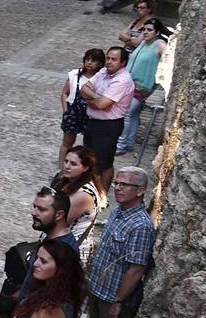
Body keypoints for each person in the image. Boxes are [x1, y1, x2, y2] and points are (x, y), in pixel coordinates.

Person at [70, 167, 155, 318]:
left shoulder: (140, 226)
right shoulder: (119, 212)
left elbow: (136, 269)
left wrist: (119, 302)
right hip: (98, 289)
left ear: (140, 191)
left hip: (113, 297)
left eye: (124, 184)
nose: (117, 187)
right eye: (117, 183)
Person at [79, 46, 135, 194]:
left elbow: (103, 105)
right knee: (89, 158)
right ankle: (90, 191)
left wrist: (92, 98)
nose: (109, 62)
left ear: (122, 62)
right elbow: (83, 88)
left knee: (104, 163)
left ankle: (102, 195)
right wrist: (97, 98)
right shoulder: (104, 71)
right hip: (93, 122)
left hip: (109, 126)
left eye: (114, 59)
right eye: (108, 58)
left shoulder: (122, 80)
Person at [115, 20, 167, 155]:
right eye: (144, 29)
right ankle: (129, 143)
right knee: (133, 114)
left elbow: (168, 59)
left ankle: (120, 145)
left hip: (142, 86)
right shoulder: (143, 43)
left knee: (126, 113)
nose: (145, 32)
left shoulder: (160, 45)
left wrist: (158, 81)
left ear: (157, 32)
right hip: (130, 84)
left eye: (149, 30)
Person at [54, 146, 103, 266]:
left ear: (85, 168)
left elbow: (59, 223)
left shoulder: (83, 194)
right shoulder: (67, 182)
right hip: (59, 245)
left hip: (69, 251)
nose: (67, 166)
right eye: (66, 161)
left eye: (73, 164)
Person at [58, 49, 106, 169]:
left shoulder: (101, 77)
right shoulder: (75, 74)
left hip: (90, 114)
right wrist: (66, 111)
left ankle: (83, 169)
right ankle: (62, 169)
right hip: (73, 113)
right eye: (87, 59)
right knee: (67, 142)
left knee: (89, 145)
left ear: (100, 63)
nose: (89, 63)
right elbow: (65, 93)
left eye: (93, 60)